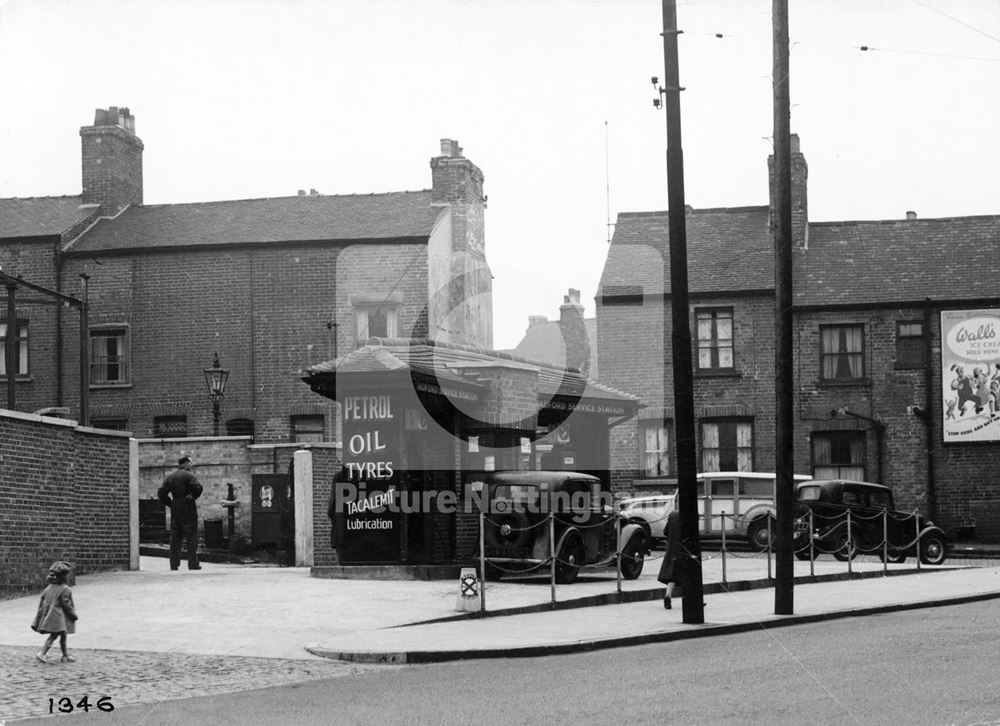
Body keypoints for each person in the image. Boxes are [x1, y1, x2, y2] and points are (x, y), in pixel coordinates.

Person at [158, 455, 204, 570]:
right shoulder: (190, 475)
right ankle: (192, 563)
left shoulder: (170, 477)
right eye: (191, 463)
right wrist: (192, 496)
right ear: (187, 464)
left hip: (176, 508)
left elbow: (161, 493)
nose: (192, 465)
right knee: (191, 537)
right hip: (188, 508)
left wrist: (170, 504)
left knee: (175, 538)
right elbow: (198, 488)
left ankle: (174, 564)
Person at [31, 561, 78, 663]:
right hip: (58, 618)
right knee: (54, 636)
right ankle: (42, 653)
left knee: (63, 635)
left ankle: (65, 655)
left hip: (51, 617)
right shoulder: (65, 589)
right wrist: (73, 615)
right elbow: (67, 605)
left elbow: (43, 602)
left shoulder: (48, 588)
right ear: (64, 576)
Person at [657, 508, 683, 610]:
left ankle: (668, 594)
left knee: (673, 575)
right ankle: (695, 598)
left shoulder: (672, 514)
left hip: (672, 548)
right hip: (684, 548)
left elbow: (665, 531)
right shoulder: (689, 514)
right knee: (691, 574)